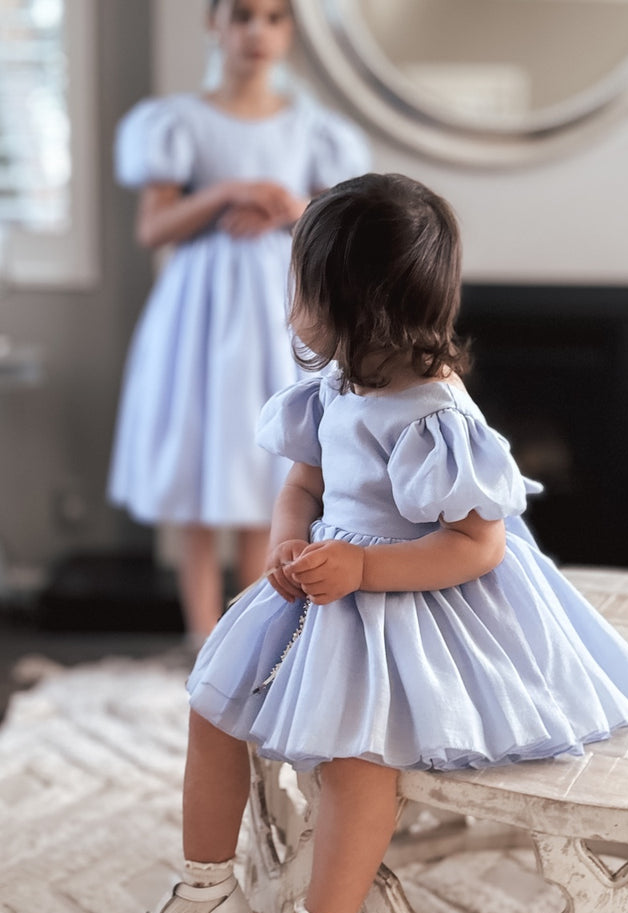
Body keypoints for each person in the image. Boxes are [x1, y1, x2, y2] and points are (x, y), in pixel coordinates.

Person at [123, 173, 628, 913]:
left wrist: (365, 573)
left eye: (302, 287)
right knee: (211, 702)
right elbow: (301, 485)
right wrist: (285, 541)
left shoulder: (436, 412)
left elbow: (476, 544)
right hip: (326, 579)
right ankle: (207, 890)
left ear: (357, 304)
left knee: (355, 758)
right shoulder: (339, 384)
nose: (290, 303)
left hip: (414, 594)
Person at [108, 0, 370, 643]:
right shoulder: (177, 122)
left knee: (266, 467)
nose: (259, 31)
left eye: (276, 18)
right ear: (215, 25)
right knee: (199, 460)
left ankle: (253, 634)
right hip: (198, 313)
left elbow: (338, 220)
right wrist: (226, 192)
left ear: (289, 32)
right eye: (245, 15)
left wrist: (290, 206)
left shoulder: (313, 129)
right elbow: (153, 227)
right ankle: (203, 638)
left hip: (278, 310)